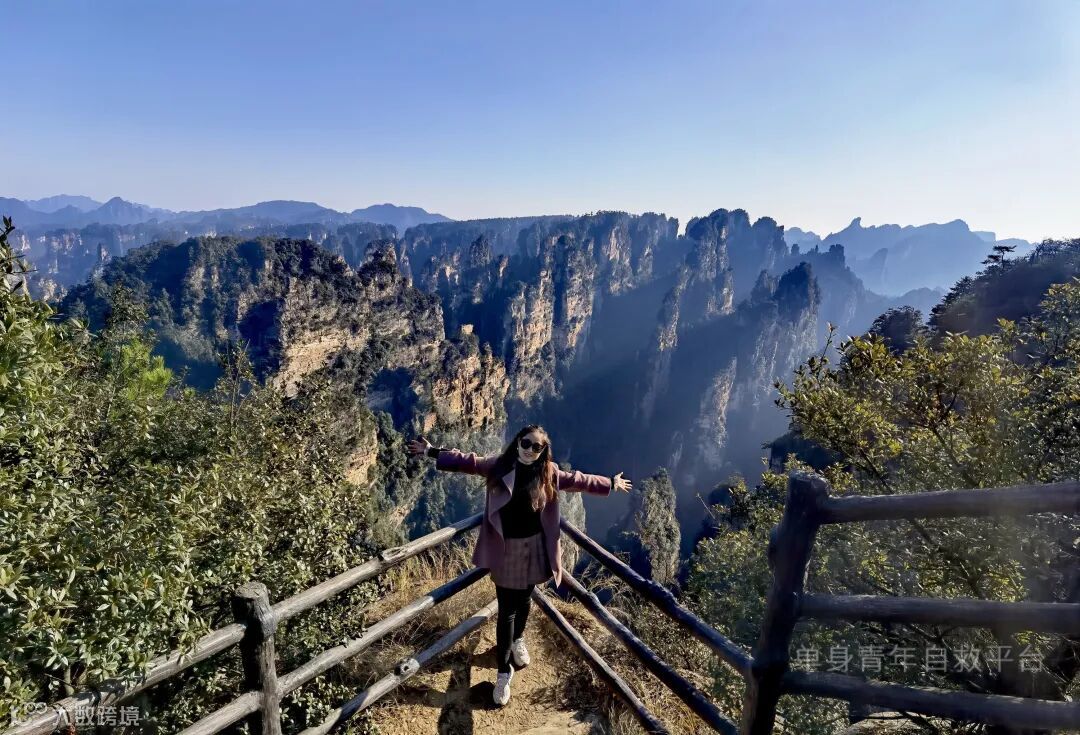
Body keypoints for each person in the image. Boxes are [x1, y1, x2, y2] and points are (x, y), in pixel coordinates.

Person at [406, 424, 631, 706]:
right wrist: (431, 451)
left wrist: (610, 483)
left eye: (537, 447)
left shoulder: (548, 473)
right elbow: (468, 461)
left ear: (543, 451)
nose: (529, 450)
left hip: (536, 547)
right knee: (506, 611)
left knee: (525, 600)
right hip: (506, 549)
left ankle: (518, 640)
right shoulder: (500, 466)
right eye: (526, 443)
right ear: (518, 442)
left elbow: (578, 479)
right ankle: (503, 673)